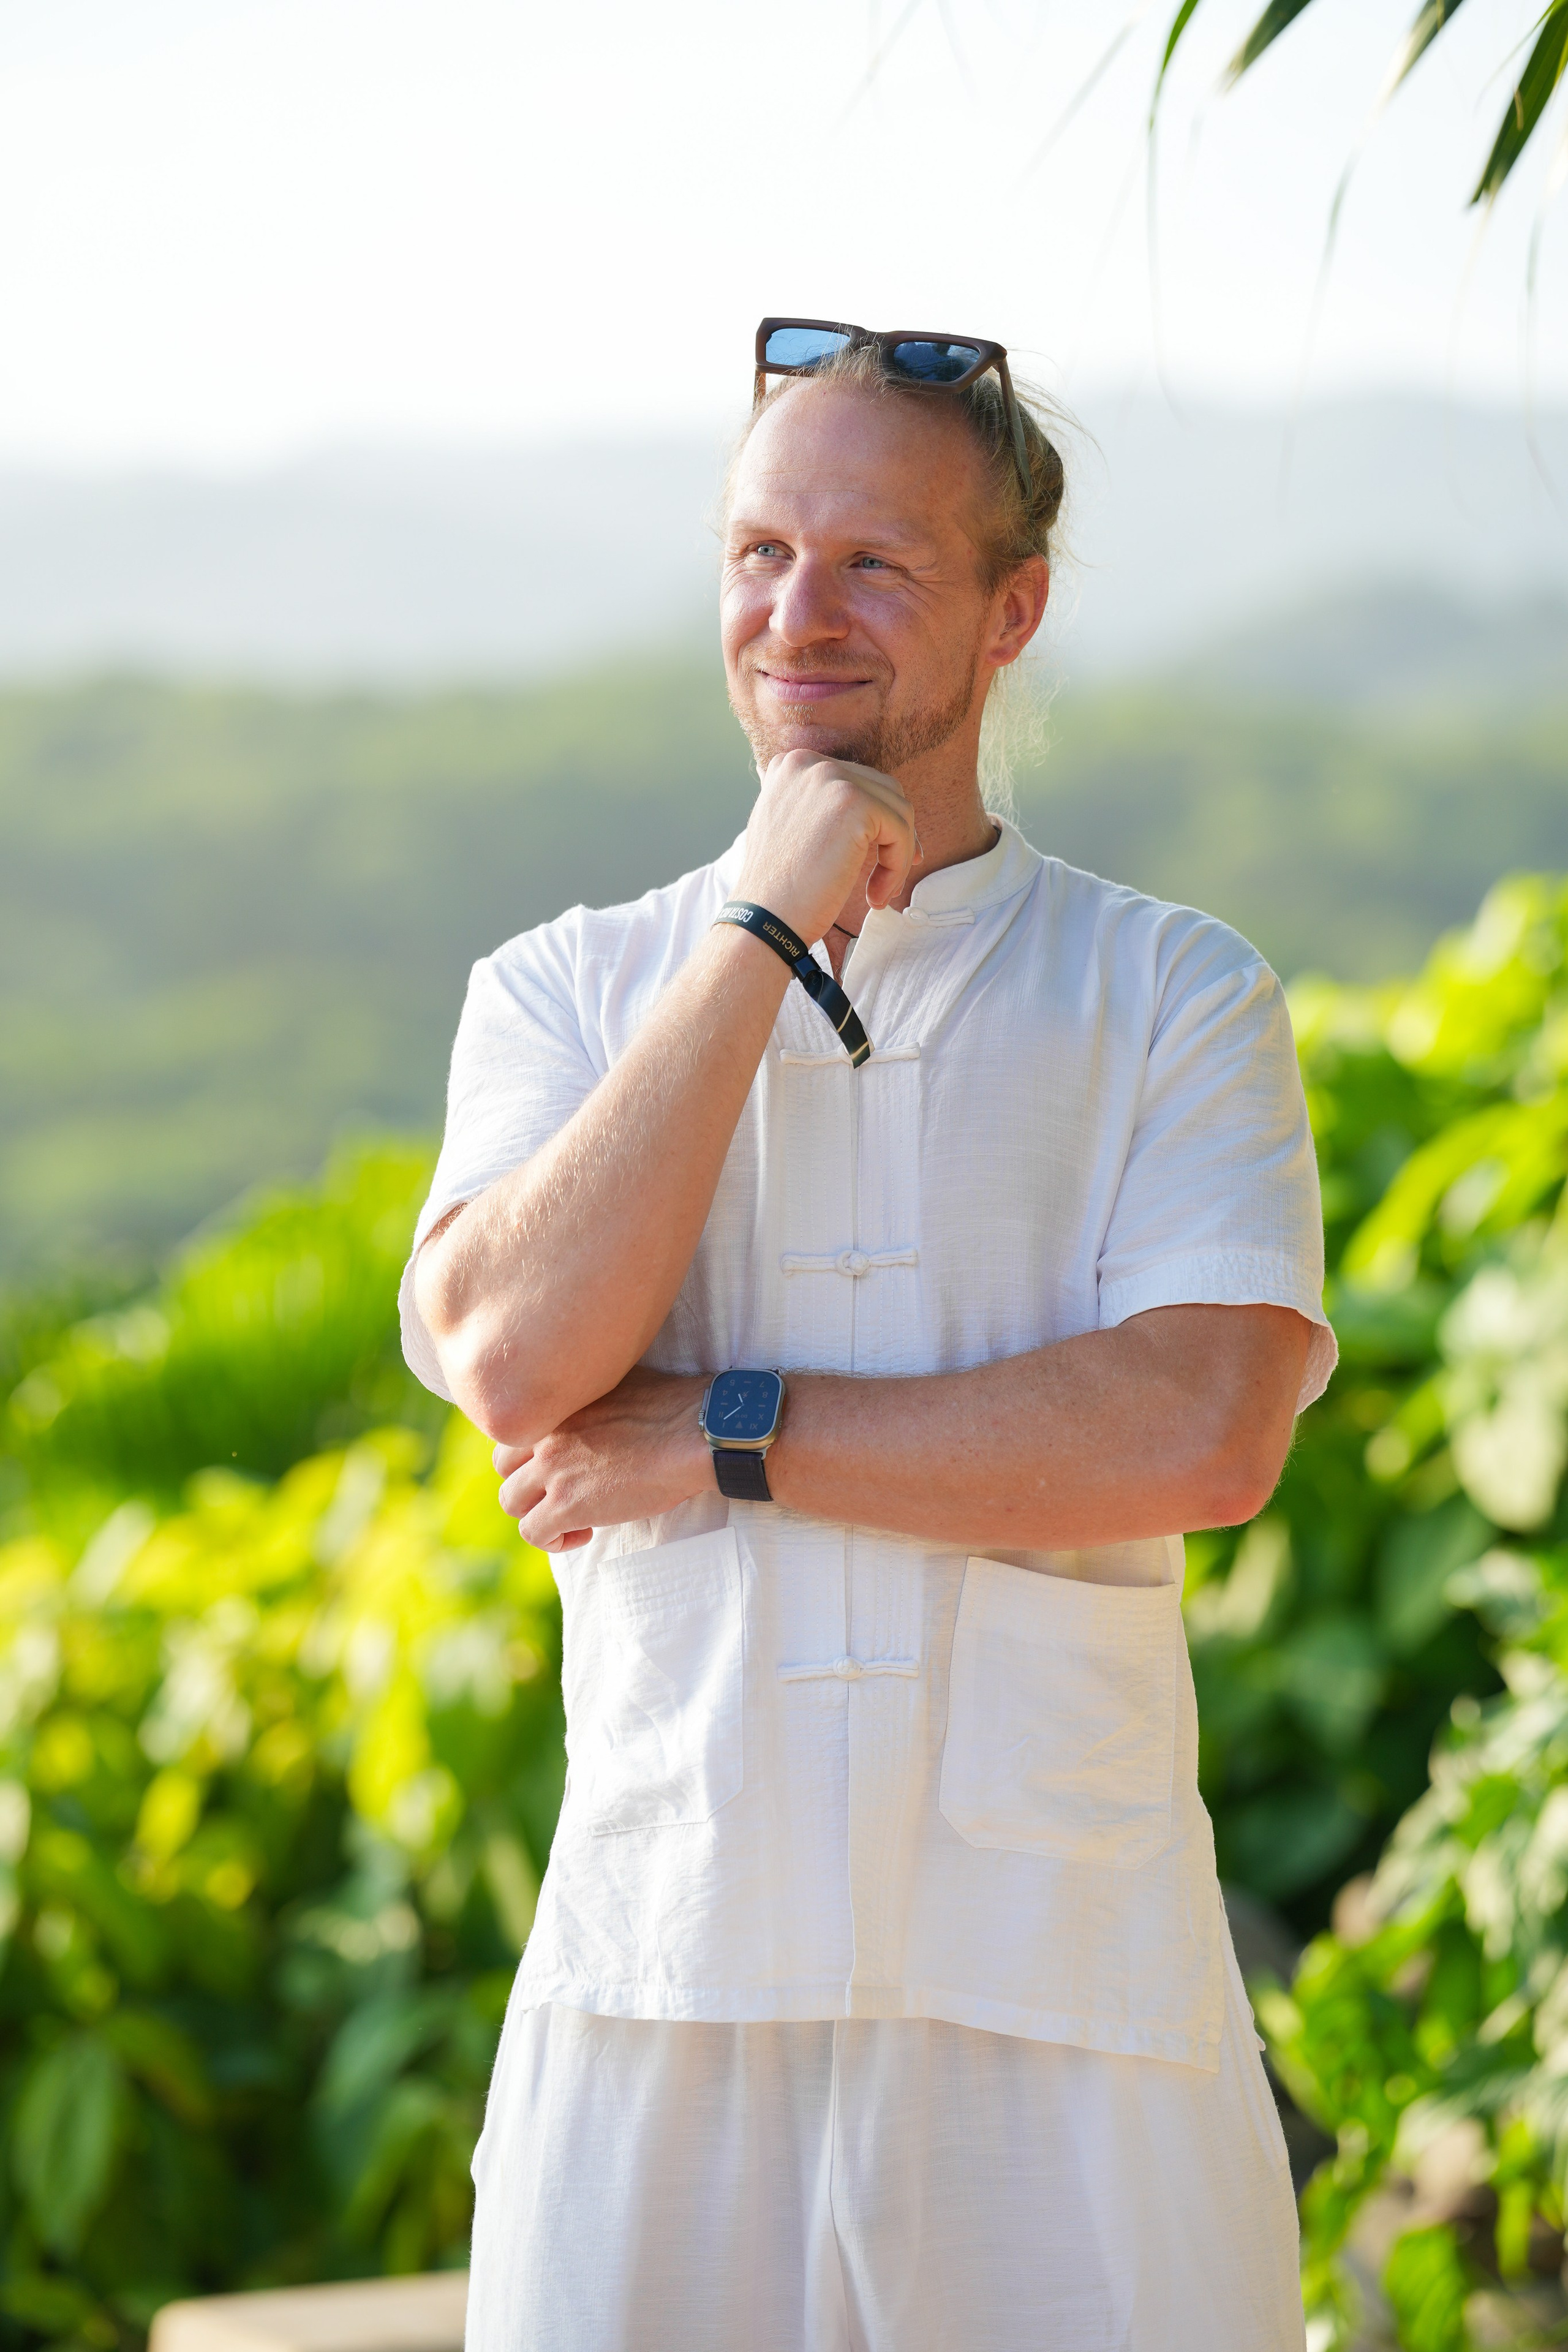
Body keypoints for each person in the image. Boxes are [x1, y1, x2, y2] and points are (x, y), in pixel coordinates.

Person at [400, 320, 1334, 2352]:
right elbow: (508, 1352)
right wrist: (756, 923)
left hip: (1068, 1994)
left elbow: (1199, 1426)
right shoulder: (563, 988)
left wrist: (717, 1432)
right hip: (664, 1973)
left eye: (871, 566)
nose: (793, 614)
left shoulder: (1172, 992)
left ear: (1018, 612)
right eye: (757, 553)